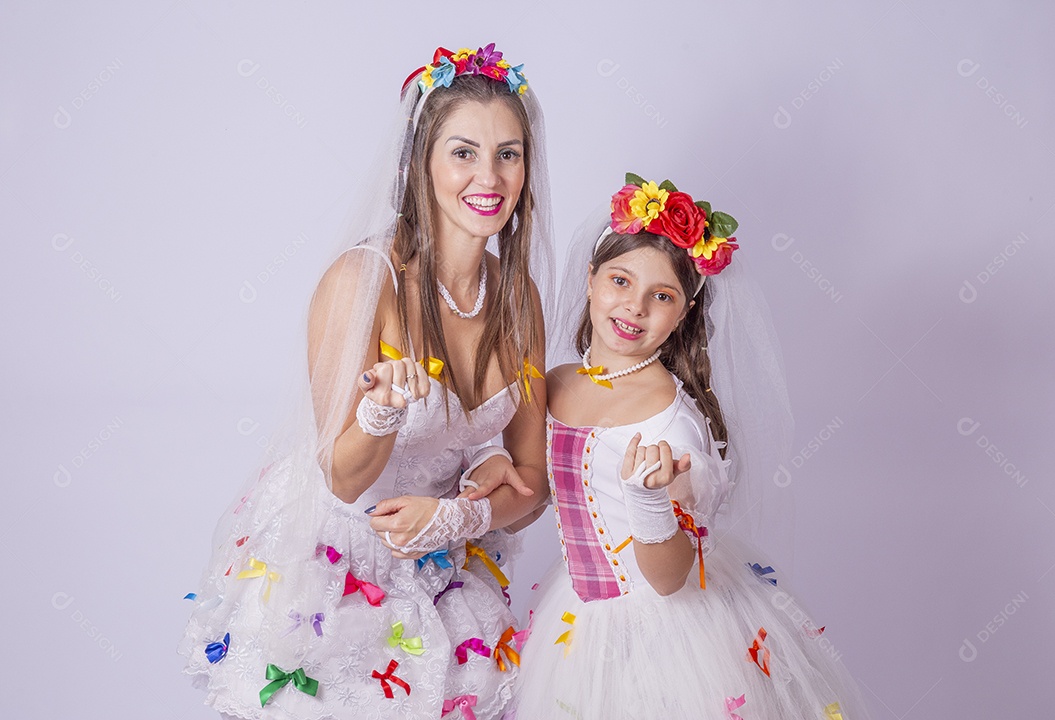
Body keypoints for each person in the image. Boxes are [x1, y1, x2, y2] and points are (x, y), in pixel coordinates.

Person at [179, 45, 553, 720]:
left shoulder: (518, 299)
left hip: (444, 570)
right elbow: (342, 480)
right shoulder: (361, 283)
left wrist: (460, 517)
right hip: (335, 566)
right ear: (419, 164)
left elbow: (534, 479)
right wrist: (381, 414)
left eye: (509, 153)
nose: (489, 176)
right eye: (463, 152)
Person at [506, 175, 869, 718]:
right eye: (620, 281)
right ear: (590, 279)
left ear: (684, 313)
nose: (634, 308)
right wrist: (486, 471)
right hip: (581, 624)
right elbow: (531, 497)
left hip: (669, 635)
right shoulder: (553, 384)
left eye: (662, 296)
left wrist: (649, 501)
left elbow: (669, 576)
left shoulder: (673, 426)